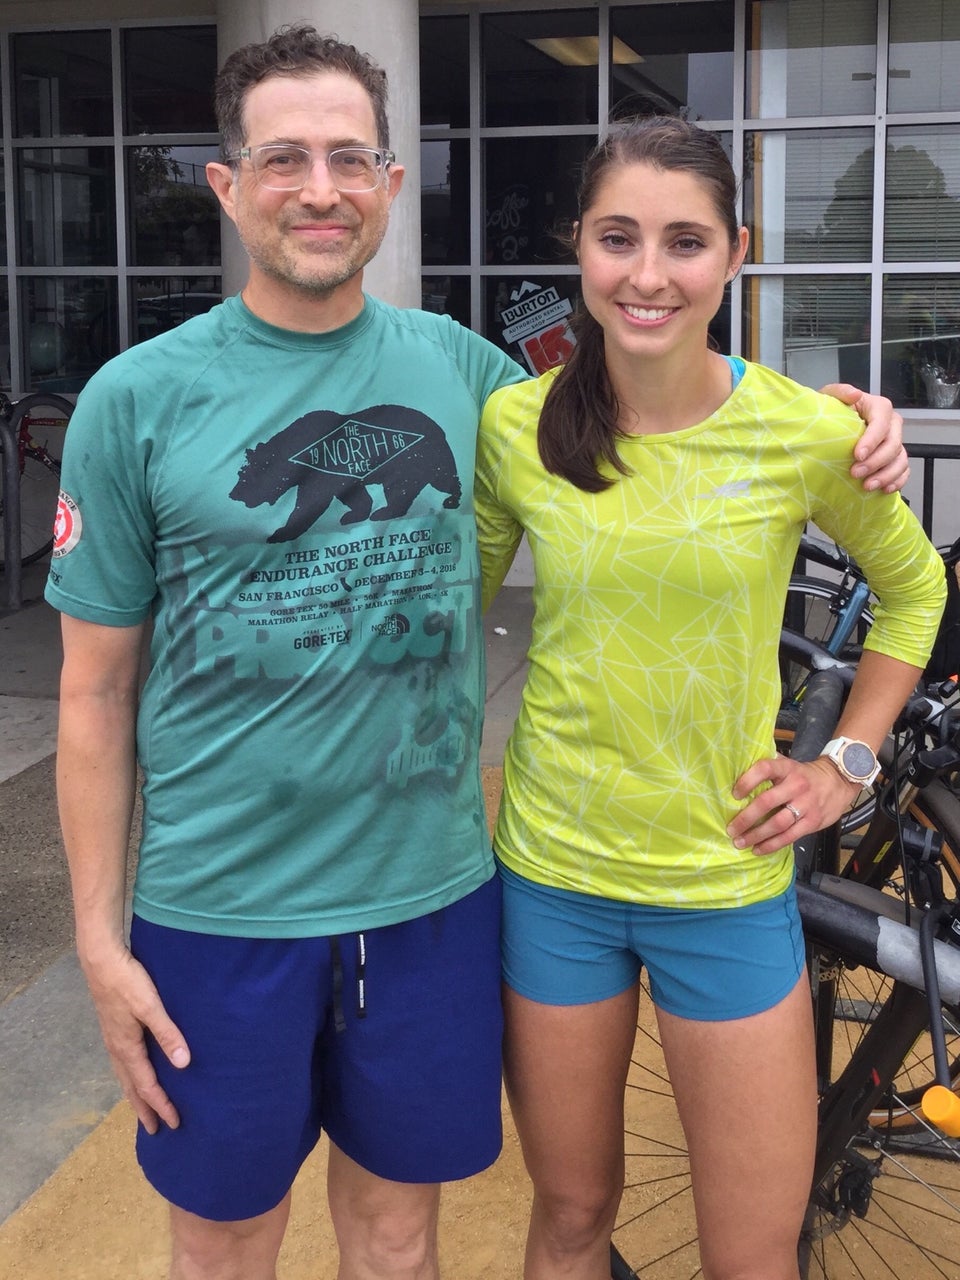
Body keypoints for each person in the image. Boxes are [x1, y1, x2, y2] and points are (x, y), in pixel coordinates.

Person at [44, 22, 905, 1280]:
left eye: (351, 158)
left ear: (395, 185)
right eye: (283, 159)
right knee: (221, 1242)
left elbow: (651, 385)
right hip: (219, 911)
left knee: (398, 1236)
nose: (321, 189)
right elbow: (93, 691)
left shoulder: (473, 381)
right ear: (226, 184)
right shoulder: (135, 398)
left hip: (429, 902)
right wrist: (99, 944)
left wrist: (836, 424)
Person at [474, 115, 947, 1280]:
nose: (648, 274)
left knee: (751, 1251)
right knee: (572, 1218)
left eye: (684, 242)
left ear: (733, 253)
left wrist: (845, 762)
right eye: (618, 237)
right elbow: (437, 617)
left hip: (723, 883)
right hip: (555, 879)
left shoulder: (802, 429)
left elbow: (916, 590)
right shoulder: (514, 427)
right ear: (578, 249)